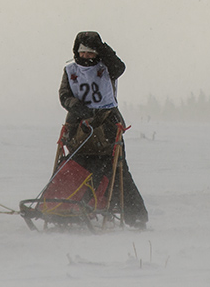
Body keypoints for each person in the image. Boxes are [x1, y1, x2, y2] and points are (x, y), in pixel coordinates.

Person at [58, 31, 149, 227]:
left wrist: (102, 47)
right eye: (82, 52)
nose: (86, 56)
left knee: (116, 169)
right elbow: (64, 95)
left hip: (107, 124)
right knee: (74, 167)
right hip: (79, 126)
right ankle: (61, 208)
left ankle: (135, 217)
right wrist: (77, 106)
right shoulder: (70, 70)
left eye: (91, 52)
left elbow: (120, 66)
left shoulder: (108, 68)